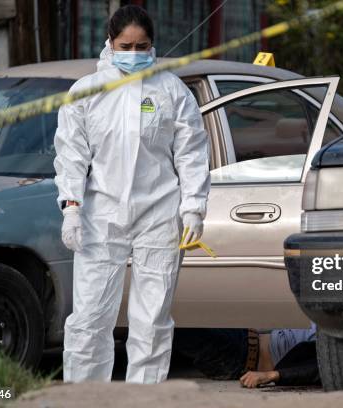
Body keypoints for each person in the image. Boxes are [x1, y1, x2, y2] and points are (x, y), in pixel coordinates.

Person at [53, 5, 210, 384]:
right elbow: (71, 155)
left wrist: (193, 209)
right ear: (110, 42)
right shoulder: (87, 92)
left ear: (153, 45)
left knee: (152, 319)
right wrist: (71, 208)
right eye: (126, 45)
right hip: (101, 213)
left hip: (159, 213)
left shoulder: (170, 90)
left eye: (142, 45)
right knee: (90, 316)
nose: (135, 52)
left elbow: (191, 153)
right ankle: (85, 397)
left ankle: (144, 398)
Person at [173, 322, 319, 388]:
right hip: (242, 337)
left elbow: (317, 369)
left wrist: (271, 375)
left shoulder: (336, 346)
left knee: (170, 323)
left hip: (240, 358)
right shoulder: (331, 313)